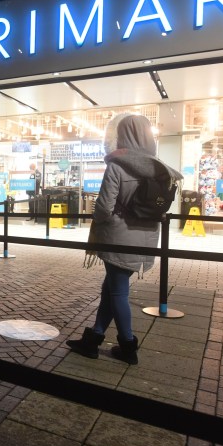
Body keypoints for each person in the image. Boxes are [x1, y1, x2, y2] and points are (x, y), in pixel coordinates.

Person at [66, 114, 182, 365]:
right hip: (146, 240)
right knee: (110, 289)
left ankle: (128, 345)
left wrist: (101, 217)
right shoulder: (160, 168)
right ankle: (93, 339)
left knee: (117, 293)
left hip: (118, 238)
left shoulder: (118, 165)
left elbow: (104, 208)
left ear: (124, 135)